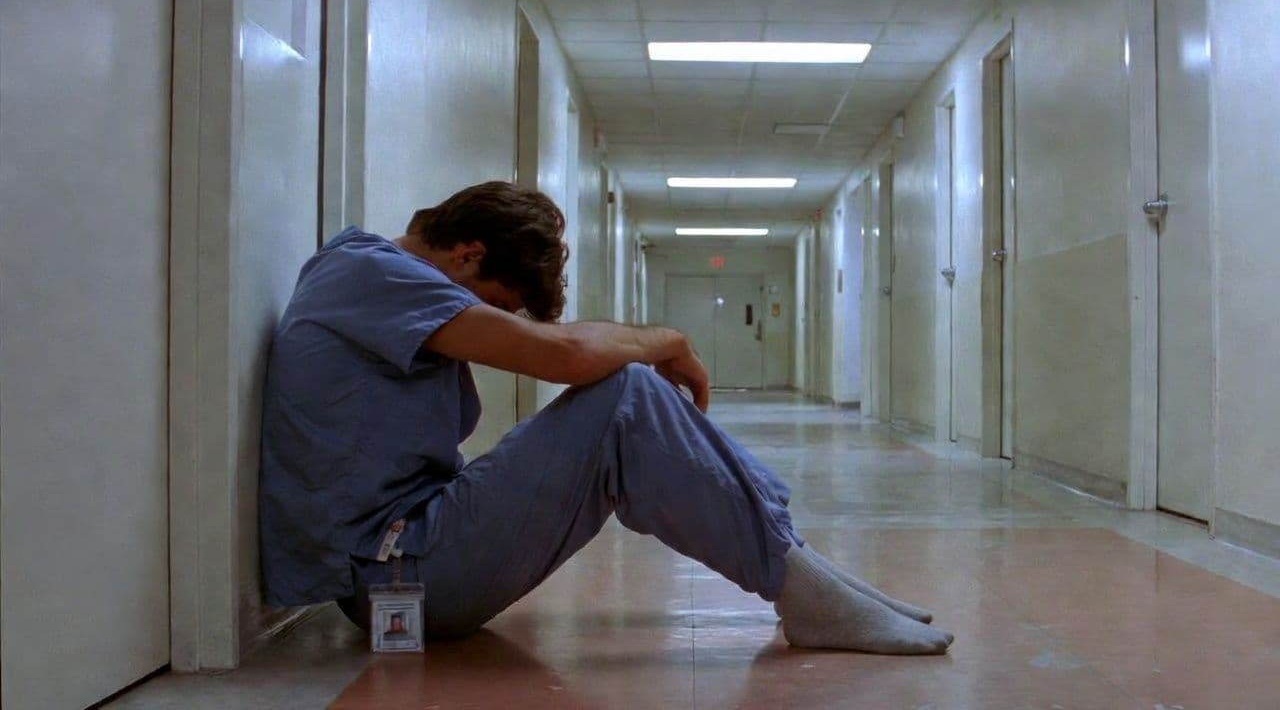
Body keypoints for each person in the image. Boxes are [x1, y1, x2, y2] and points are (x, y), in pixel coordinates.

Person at [259, 181, 953, 655]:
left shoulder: (376, 278)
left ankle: (806, 576)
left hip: (414, 551)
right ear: (468, 254)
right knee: (622, 392)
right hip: (394, 575)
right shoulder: (371, 274)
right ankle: (805, 589)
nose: (491, 322)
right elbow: (564, 355)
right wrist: (667, 340)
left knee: (622, 388)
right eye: (496, 305)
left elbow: (566, 345)